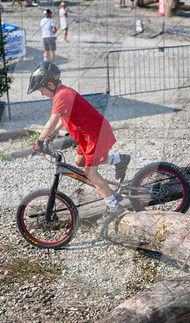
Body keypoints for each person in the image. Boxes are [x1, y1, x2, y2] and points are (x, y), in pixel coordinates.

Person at [27, 61, 131, 225]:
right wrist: (52, 135)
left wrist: (39, 141)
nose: (41, 94)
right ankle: (119, 160)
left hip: (95, 134)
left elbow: (52, 121)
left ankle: (114, 207)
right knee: (79, 162)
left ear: (50, 84)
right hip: (87, 136)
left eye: (41, 90)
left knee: (90, 172)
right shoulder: (61, 93)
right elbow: (63, 117)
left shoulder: (62, 95)